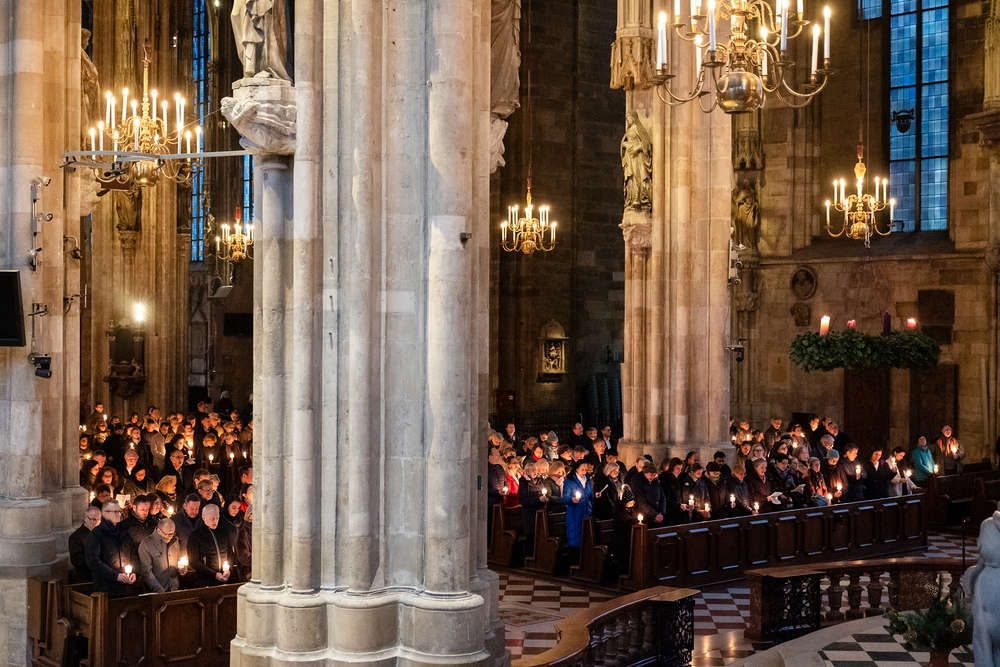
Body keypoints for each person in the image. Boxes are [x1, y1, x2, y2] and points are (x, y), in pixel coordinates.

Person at [85, 501, 136, 597]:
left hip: (126, 587)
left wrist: (134, 572)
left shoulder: (124, 532)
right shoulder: (95, 535)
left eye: (120, 511)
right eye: (115, 512)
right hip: (106, 589)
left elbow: (133, 554)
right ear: (105, 513)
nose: (119, 514)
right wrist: (115, 576)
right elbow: (93, 561)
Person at [187, 505, 233, 587]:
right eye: (212, 518)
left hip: (224, 578)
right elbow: (194, 561)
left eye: (217, 518)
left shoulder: (223, 533)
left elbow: (230, 554)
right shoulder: (195, 536)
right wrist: (213, 574)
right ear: (203, 517)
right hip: (205, 581)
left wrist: (229, 570)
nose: (215, 521)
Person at [138, 518, 188, 593]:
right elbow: (146, 572)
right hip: (157, 592)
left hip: (174, 590)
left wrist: (181, 569)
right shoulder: (146, 545)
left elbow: (178, 560)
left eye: (173, 533)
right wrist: (160, 591)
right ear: (159, 531)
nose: (171, 536)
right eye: (168, 534)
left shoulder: (175, 541)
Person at [562, 459, 595, 564]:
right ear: (576, 469)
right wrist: (572, 499)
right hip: (574, 515)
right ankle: (573, 565)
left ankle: (584, 565)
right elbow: (564, 497)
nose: (584, 472)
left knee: (585, 540)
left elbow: (589, 495)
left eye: (586, 470)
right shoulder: (570, 481)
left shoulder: (588, 480)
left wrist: (595, 495)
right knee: (575, 540)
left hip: (586, 514)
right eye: (582, 469)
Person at [69, 507, 102, 583]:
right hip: (87, 578)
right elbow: (76, 560)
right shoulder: (76, 536)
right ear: (86, 518)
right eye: (93, 519)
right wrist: (95, 558)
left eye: (99, 519)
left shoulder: (101, 533)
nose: (96, 523)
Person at [632, 461, 667, 526]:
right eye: (651, 475)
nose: (652, 477)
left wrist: (661, 513)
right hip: (645, 518)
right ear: (645, 472)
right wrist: (654, 515)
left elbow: (663, 498)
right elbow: (641, 502)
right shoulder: (638, 483)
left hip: (658, 517)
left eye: (654, 475)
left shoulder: (656, 482)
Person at [235, 504, 253, 581]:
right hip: (249, 574)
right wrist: (262, 559)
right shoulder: (243, 533)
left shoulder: (260, 531)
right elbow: (243, 557)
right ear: (250, 515)